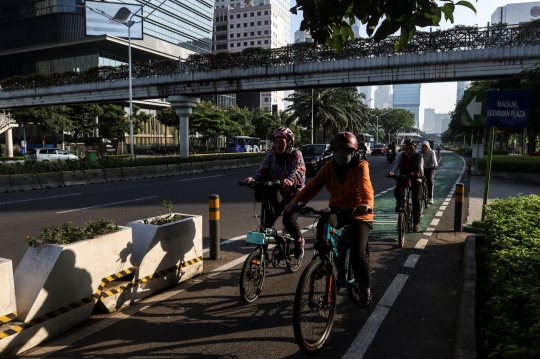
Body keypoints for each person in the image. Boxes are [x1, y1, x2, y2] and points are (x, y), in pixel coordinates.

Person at [284, 132, 374, 308]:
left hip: (359, 212)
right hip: (338, 210)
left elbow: (365, 186)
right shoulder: (328, 167)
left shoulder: (360, 166)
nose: (341, 154)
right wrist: (295, 203)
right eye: (337, 151)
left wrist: (366, 203)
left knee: (358, 252)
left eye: (345, 151)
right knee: (324, 224)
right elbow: (312, 187)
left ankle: (365, 289)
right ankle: (323, 261)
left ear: (354, 151)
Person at [244, 127, 306, 259]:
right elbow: (263, 170)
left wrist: (290, 180)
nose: (278, 145)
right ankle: (262, 251)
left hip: (294, 195)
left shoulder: (296, 155)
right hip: (276, 194)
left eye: (281, 142)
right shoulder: (271, 155)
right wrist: (253, 179)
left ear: (289, 143)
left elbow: (298, 170)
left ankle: (299, 242)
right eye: (276, 142)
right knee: (265, 224)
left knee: (288, 221)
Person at [387, 139, 424, 232]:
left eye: (411, 149)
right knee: (397, 191)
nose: (408, 152)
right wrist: (392, 172)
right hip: (404, 177)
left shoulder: (419, 156)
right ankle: (399, 203)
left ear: (414, 149)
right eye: (406, 149)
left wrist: (420, 173)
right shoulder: (402, 156)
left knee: (415, 201)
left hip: (416, 178)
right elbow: (396, 167)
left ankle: (416, 223)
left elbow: (420, 167)